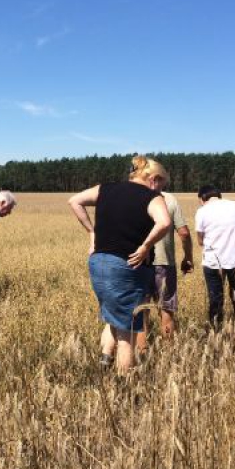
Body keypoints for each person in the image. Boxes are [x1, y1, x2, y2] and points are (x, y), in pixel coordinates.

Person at [68, 156, 171, 373]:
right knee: (128, 333)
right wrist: (145, 246)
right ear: (154, 179)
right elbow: (164, 223)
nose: (161, 190)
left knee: (112, 316)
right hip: (127, 267)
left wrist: (92, 232)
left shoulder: (105, 189)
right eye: (162, 185)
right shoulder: (152, 197)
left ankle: (105, 363)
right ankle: (124, 386)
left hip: (98, 264)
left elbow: (74, 201)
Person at [137, 187, 194, 350]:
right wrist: (188, 257)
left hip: (139, 262)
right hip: (164, 262)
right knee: (166, 310)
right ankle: (169, 355)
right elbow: (184, 233)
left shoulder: (133, 197)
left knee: (142, 311)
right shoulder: (169, 199)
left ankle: (142, 356)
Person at [195, 185, 235, 327]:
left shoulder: (202, 211)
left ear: (202, 198)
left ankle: (216, 330)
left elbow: (200, 240)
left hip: (213, 262)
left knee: (216, 298)